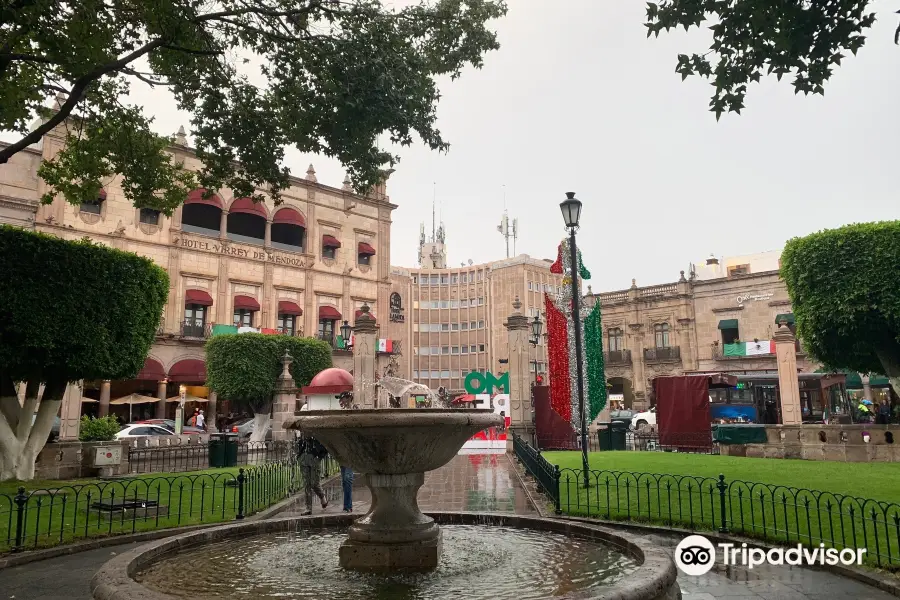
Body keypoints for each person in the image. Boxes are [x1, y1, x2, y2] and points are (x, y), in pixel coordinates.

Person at [299, 435, 328, 515]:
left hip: (315, 460)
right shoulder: (303, 436)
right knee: (307, 484)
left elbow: (325, 448)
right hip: (304, 459)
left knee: (314, 483)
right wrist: (299, 456)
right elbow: (299, 445)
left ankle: (322, 496)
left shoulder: (317, 436)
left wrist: (318, 457)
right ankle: (308, 508)